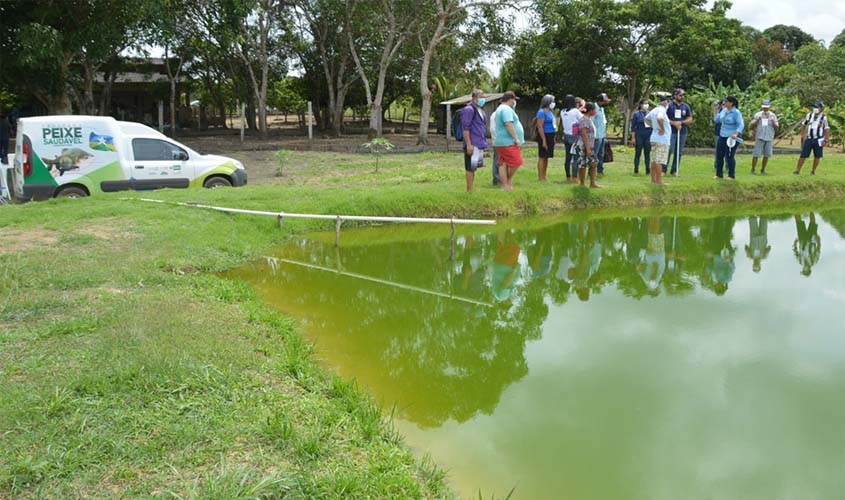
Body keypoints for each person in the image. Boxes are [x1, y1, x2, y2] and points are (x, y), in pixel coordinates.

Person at [493, 91, 524, 191]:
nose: (514, 102)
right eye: (514, 100)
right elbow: (508, 124)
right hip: (508, 141)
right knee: (517, 161)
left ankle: (505, 185)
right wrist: (516, 138)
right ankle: (507, 180)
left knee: (503, 162)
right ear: (510, 99)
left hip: (501, 141)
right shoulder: (506, 109)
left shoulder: (501, 108)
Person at [460, 89, 488, 192]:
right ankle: (469, 190)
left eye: (484, 97)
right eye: (481, 97)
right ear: (474, 98)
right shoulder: (469, 109)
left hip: (479, 143)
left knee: (474, 166)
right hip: (472, 143)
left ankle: (471, 189)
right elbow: (465, 128)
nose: (483, 99)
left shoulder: (480, 110)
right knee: (470, 167)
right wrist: (468, 144)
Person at [793, 101, 831, 176]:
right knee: (803, 155)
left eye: (817, 107)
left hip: (818, 139)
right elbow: (804, 125)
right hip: (809, 138)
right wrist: (802, 135)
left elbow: (826, 128)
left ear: (821, 108)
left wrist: (826, 139)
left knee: (817, 156)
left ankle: (813, 171)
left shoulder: (824, 117)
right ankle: (797, 170)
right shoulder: (809, 115)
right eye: (814, 107)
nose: (815, 109)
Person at [713, 95, 744, 180]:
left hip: (732, 137)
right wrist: (715, 110)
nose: (724, 103)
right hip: (722, 135)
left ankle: (731, 175)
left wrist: (736, 133)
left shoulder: (736, 113)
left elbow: (740, 124)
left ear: (731, 103)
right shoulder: (723, 111)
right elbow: (716, 120)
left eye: (726, 101)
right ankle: (719, 174)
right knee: (719, 155)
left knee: (730, 156)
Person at [573, 102, 600, 188]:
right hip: (583, 145)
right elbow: (584, 134)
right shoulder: (584, 120)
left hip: (589, 145)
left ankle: (592, 183)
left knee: (593, 163)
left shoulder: (588, 119)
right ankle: (583, 183)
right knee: (583, 163)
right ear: (591, 110)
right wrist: (588, 148)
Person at [665, 88, 692, 176]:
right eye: (680, 95)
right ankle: (663, 169)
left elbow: (690, 119)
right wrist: (674, 123)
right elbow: (664, 118)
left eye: (683, 95)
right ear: (675, 95)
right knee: (669, 150)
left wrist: (681, 122)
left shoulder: (685, 106)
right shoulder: (669, 105)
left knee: (679, 151)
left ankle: (674, 170)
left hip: (682, 131)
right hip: (671, 131)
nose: (682, 97)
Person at [645, 95, 670, 185]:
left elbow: (646, 119)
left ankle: (653, 180)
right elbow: (660, 118)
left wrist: (654, 127)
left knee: (654, 160)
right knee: (659, 160)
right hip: (662, 139)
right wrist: (662, 128)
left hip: (654, 137)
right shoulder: (661, 110)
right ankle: (659, 181)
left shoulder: (654, 110)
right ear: (665, 102)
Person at [749, 100, 778, 175]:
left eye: (767, 107)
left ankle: (763, 170)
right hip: (760, 136)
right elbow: (752, 126)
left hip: (769, 137)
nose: (765, 109)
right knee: (756, 154)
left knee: (767, 154)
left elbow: (777, 126)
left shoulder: (773, 115)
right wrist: (757, 120)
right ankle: (753, 169)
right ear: (762, 107)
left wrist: (773, 122)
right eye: (764, 107)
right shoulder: (758, 114)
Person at [560, 95, 582, 183]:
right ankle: (575, 177)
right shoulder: (576, 111)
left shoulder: (562, 111)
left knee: (568, 158)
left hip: (566, 135)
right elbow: (582, 119)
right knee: (576, 157)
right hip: (574, 136)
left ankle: (568, 176)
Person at [535, 94, 556, 182]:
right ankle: (540, 177)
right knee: (542, 156)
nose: (554, 103)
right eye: (552, 101)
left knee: (547, 156)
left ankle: (544, 175)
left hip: (551, 135)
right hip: (544, 135)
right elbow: (540, 126)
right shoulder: (541, 112)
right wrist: (544, 140)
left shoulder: (550, 112)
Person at [630, 98, 651, 175]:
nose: (646, 105)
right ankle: (636, 169)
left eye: (647, 103)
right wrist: (633, 138)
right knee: (638, 153)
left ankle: (648, 169)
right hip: (639, 135)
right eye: (644, 103)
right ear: (641, 105)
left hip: (648, 135)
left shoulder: (649, 113)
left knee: (647, 153)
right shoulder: (636, 114)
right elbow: (633, 127)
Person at [592, 93, 610, 175]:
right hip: (596, 135)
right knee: (595, 154)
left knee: (601, 154)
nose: (605, 103)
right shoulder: (594, 108)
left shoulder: (601, 109)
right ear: (600, 101)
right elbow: (591, 122)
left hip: (602, 135)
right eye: (604, 101)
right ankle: (592, 171)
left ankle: (600, 170)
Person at [489, 107, 500, 186]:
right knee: (498, 161)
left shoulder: (495, 114)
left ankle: (498, 179)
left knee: (498, 160)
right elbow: (493, 129)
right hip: (499, 141)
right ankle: (496, 179)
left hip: (499, 141)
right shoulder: (496, 114)